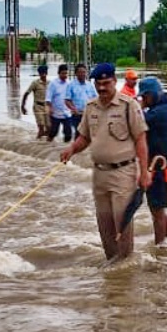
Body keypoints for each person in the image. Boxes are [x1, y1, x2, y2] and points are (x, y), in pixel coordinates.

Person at [59, 63, 151, 261]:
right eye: (98, 84)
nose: (102, 88)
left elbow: (141, 139)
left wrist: (144, 172)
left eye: (106, 83)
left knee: (122, 221)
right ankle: (112, 264)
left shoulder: (129, 105)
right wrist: (72, 149)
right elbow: (85, 138)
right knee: (104, 223)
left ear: (114, 82)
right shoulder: (91, 107)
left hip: (123, 172)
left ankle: (125, 263)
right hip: (99, 174)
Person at [139, 76, 167, 249]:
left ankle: (161, 247)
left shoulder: (162, 110)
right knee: (158, 206)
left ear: (152, 94)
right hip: (159, 162)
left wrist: (137, 108)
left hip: (161, 164)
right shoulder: (162, 105)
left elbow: (140, 121)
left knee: (156, 208)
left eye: (145, 97)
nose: (143, 100)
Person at [64, 63, 97, 133]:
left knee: (90, 133)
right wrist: (74, 109)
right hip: (76, 114)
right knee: (79, 133)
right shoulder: (71, 85)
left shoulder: (90, 85)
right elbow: (67, 100)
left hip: (88, 114)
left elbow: (96, 99)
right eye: (80, 72)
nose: (82, 74)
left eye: (84, 72)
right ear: (76, 73)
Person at [21, 65, 50, 140]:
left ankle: (47, 145)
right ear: (39, 74)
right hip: (38, 107)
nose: (43, 74)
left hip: (47, 107)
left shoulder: (50, 83)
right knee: (41, 127)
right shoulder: (35, 83)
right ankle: (36, 143)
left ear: (47, 73)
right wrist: (23, 106)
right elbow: (26, 94)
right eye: (41, 73)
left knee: (49, 129)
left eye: (44, 73)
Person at [46, 64, 73, 142]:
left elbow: (72, 97)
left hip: (67, 113)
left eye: (66, 73)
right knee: (53, 133)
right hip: (55, 113)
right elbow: (48, 98)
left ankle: (64, 149)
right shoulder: (53, 84)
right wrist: (50, 108)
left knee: (68, 134)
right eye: (63, 73)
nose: (65, 75)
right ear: (59, 73)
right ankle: (47, 146)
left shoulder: (69, 83)